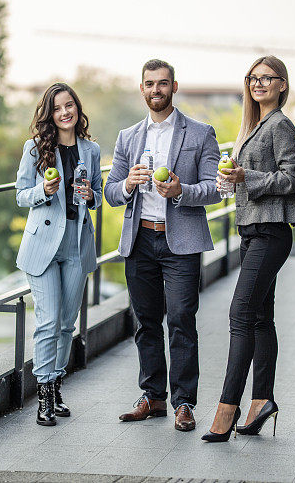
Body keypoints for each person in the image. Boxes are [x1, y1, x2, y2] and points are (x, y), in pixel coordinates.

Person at [105, 59, 221, 432]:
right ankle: (153, 396)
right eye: (150, 84)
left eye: (163, 83)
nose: (156, 90)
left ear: (174, 86)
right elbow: (109, 193)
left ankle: (184, 402)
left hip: (181, 242)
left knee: (182, 320)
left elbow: (214, 188)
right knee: (146, 322)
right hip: (139, 238)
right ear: (142, 89)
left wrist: (180, 191)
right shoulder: (127, 137)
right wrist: (127, 185)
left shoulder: (201, 133)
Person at [202, 56, 295, 442]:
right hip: (251, 230)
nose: (258, 83)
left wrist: (248, 176)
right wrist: (232, 180)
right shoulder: (252, 126)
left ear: (282, 84)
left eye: (267, 78)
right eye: (252, 78)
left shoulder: (281, 125)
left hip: (271, 232)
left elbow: (294, 177)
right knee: (260, 318)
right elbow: (250, 178)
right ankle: (262, 401)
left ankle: (227, 408)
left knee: (241, 313)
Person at [15, 82, 102, 426]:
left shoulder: (91, 150)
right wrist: (43, 190)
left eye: (70, 106)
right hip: (43, 245)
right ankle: (44, 395)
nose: (65, 112)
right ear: (49, 114)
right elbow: (20, 194)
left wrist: (90, 196)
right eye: (57, 108)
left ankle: (56, 381)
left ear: (77, 109)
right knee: (48, 321)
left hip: (76, 244)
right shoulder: (35, 149)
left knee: (67, 323)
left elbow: (96, 192)